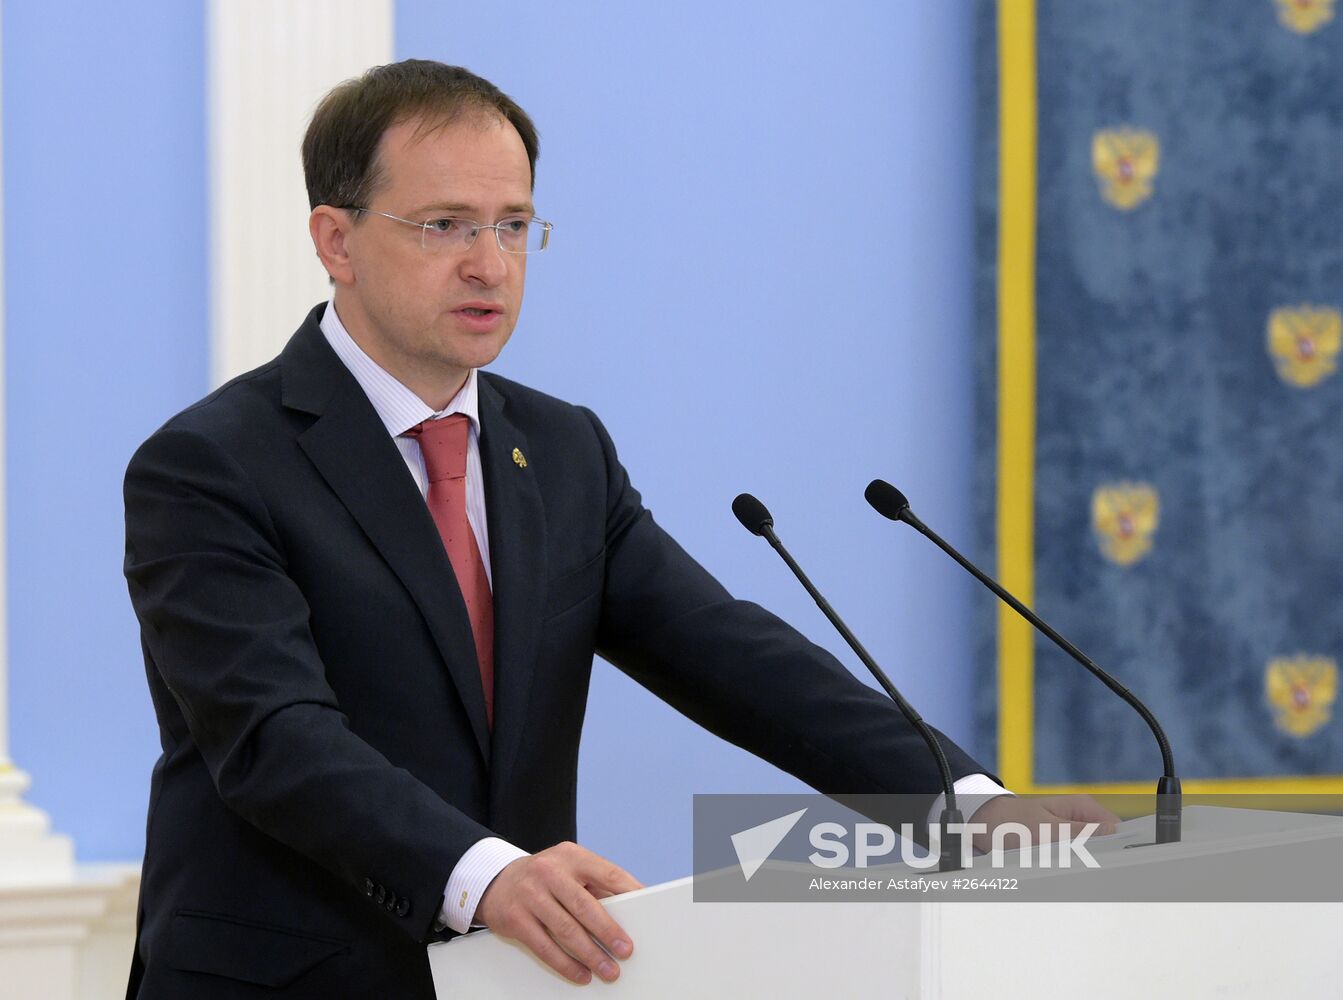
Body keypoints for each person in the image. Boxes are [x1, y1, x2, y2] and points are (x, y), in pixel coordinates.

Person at [122, 60, 1114, 998]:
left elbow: (727, 653)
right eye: (443, 225)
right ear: (335, 239)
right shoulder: (212, 463)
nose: (488, 263)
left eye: (513, 225)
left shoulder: (559, 449)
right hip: (292, 977)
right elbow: (274, 738)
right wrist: (484, 874)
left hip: (515, 976)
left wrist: (965, 803)